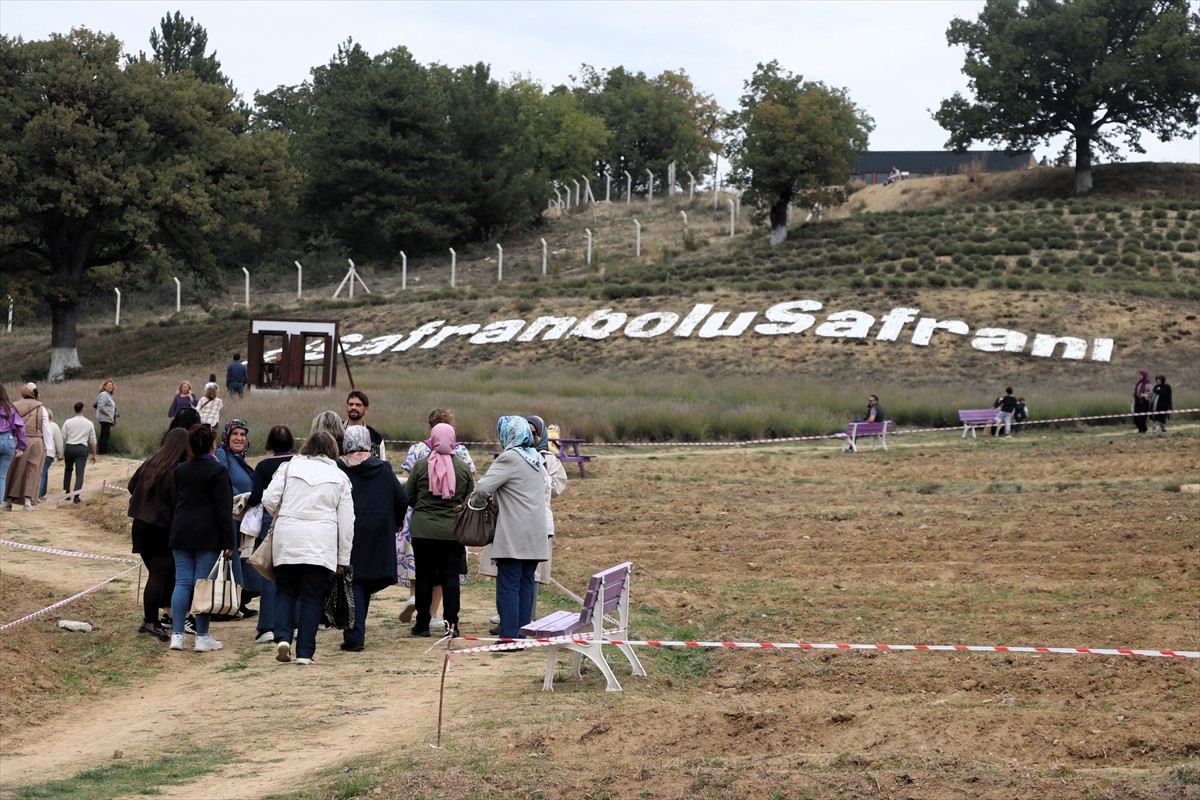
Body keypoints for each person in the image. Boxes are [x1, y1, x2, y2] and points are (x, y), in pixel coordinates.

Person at [262, 430, 354, 666]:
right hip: (321, 543)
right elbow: (346, 522)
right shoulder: (340, 477)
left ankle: (283, 637)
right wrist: (343, 558)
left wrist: (285, 515)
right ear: (333, 450)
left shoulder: (289, 467)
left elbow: (269, 500)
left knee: (285, 591)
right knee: (312, 598)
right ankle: (305, 652)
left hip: (288, 536)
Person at [398, 409, 478, 626]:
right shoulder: (462, 467)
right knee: (450, 577)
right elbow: (470, 497)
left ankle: (422, 623)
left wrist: (422, 507)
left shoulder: (421, 465)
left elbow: (408, 495)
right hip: (452, 531)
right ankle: (451, 623)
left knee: (424, 576)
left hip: (423, 529)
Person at [473, 415, 549, 640]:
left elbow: (482, 488)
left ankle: (508, 637)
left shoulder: (510, 458)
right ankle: (521, 634)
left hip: (514, 533)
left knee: (508, 585)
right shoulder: (535, 457)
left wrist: (476, 506)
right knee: (526, 584)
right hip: (536, 533)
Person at [337, 425, 408, 650]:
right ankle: (356, 631)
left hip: (350, 529)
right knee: (363, 581)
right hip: (378, 530)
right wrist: (395, 522)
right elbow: (402, 499)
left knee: (355, 580)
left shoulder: (340, 468)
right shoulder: (384, 468)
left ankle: (355, 636)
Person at [168, 423, 234, 653]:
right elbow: (223, 510)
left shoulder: (181, 469)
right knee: (202, 585)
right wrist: (229, 541)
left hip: (181, 530)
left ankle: (177, 634)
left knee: (182, 582)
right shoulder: (218, 471)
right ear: (212, 445)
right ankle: (202, 636)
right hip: (208, 533)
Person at [127, 428, 190, 642]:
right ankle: (150, 621)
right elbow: (178, 501)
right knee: (158, 575)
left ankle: (160, 617)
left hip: (141, 524)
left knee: (159, 574)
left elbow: (131, 486)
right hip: (161, 527)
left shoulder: (150, 463)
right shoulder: (176, 470)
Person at [245, 425, 295, 644]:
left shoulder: (264, 466)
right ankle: (293, 623)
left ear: (270, 443)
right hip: (296, 520)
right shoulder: (299, 464)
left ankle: (267, 626)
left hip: (270, 521)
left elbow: (257, 497)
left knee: (269, 572)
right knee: (294, 570)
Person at [215, 420, 256, 619]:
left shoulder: (240, 457)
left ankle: (240, 601)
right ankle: (228, 602)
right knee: (231, 560)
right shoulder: (222, 454)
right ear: (227, 436)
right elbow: (223, 482)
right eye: (235, 434)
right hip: (231, 514)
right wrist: (242, 496)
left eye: (242, 434)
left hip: (244, 515)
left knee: (243, 558)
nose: (239, 438)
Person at [4, 383, 49, 511]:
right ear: (35, 393)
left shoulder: (14, 406)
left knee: (13, 471)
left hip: (17, 440)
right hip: (36, 440)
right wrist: (48, 446)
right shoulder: (41, 408)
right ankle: (28, 502)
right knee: (33, 470)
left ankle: (8, 501)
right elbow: (46, 429)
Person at [60, 402, 97, 504]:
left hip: (69, 447)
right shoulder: (89, 423)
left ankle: (67, 492)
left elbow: (62, 437)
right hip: (81, 448)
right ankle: (76, 495)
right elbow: (93, 440)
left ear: (74, 410)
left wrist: (60, 451)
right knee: (79, 473)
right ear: (83, 410)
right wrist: (94, 454)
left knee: (68, 469)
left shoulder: (68, 422)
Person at [0, 385, 28, 510]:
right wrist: (21, 446)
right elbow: (20, 427)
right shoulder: (10, 408)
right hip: (9, 440)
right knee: (2, 475)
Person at [344, 390, 386, 460]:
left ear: (366, 409)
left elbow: (382, 463)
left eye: (358, 405)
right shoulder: (337, 431)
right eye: (351, 404)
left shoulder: (375, 437)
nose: (353, 407)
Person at [38, 408, 64, 501]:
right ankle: (39, 494)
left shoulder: (38, 425)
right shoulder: (54, 426)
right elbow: (59, 441)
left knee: (42, 471)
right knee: (43, 472)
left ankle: (41, 492)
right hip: (49, 454)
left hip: (38, 453)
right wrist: (60, 454)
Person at [95, 379, 116, 454]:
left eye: (111, 385)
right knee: (104, 435)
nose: (110, 387)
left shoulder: (109, 395)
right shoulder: (103, 394)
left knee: (105, 435)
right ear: (104, 386)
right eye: (109, 385)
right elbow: (101, 407)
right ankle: (102, 452)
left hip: (108, 418)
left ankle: (103, 451)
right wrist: (109, 414)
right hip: (104, 418)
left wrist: (114, 415)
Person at [1133, 369, 1153, 433]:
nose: (1139, 376)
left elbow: (1151, 393)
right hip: (1137, 401)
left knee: (1142, 417)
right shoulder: (1138, 383)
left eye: (1140, 375)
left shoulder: (1148, 383)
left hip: (1144, 401)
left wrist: (1144, 395)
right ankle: (1143, 428)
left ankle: (1142, 430)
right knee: (1136, 417)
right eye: (1138, 375)